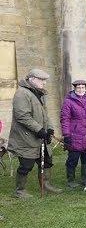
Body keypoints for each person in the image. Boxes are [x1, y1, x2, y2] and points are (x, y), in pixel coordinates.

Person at [8, 69, 62, 197]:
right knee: (26, 165)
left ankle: (46, 185)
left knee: (47, 161)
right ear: (31, 79)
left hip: (40, 136)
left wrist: (49, 129)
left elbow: (45, 115)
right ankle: (20, 191)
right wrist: (39, 130)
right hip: (26, 138)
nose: (44, 83)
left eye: (45, 80)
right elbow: (22, 116)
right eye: (41, 80)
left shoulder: (38, 93)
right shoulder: (22, 93)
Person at [60, 79, 86, 188]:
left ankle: (84, 179)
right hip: (74, 133)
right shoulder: (69, 101)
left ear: (85, 88)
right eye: (78, 87)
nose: (81, 89)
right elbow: (65, 118)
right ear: (75, 88)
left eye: (82, 87)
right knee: (73, 159)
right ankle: (70, 180)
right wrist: (66, 134)